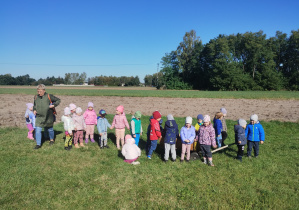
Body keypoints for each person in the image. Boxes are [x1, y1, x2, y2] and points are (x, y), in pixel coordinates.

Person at [33, 84, 60, 149]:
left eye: (40, 91)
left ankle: (51, 140)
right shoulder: (36, 97)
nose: (39, 93)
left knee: (50, 129)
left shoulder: (49, 96)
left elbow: (58, 100)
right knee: (38, 130)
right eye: (38, 91)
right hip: (39, 117)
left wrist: (53, 105)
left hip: (48, 116)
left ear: (44, 90)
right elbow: (34, 105)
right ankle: (38, 144)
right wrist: (34, 110)